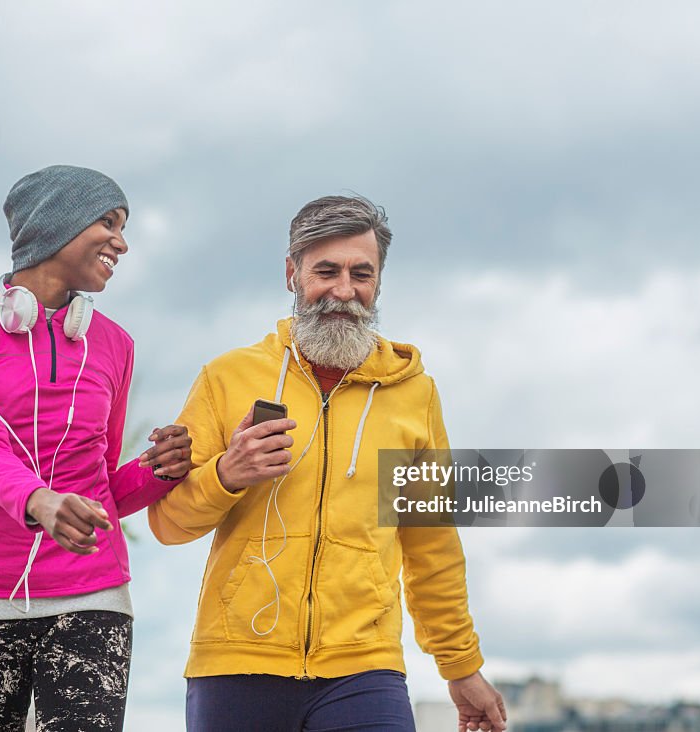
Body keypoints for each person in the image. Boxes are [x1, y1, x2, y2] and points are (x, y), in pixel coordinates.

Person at [148, 195, 507, 732]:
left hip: (365, 668)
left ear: (380, 281)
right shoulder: (225, 378)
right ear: (291, 274)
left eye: (361, 273)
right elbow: (168, 524)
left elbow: (431, 544)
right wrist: (228, 474)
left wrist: (460, 666)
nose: (344, 291)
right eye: (326, 271)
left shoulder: (415, 395)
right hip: (235, 662)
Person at [0, 165, 191, 731]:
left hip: (91, 595)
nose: (122, 242)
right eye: (108, 222)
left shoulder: (117, 345)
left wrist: (156, 472)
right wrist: (40, 501)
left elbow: (100, 489)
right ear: (56, 224)